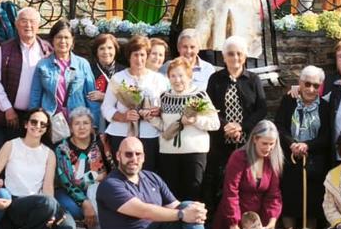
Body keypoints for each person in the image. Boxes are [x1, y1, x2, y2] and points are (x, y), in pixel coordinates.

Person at [95, 136, 230, 229]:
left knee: (189, 205)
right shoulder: (110, 184)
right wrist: (182, 214)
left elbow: (177, 206)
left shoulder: (152, 178)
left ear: (144, 157)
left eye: (138, 154)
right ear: (118, 156)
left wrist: (196, 211)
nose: (134, 158)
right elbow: (143, 211)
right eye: (128, 154)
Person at [0, 107, 77, 229]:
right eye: (34, 122)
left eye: (43, 124)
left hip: (39, 204)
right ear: (26, 124)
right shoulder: (11, 145)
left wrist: (51, 213)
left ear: (46, 129)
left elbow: (48, 187)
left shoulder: (49, 154)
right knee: (47, 203)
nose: (38, 126)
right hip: (15, 202)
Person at [205, 36, 268, 203]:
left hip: (246, 141)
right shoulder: (215, 79)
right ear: (224, 57)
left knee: (246, 181)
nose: (235, 57)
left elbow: (262, 109)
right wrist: (226, 126)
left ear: (245, 56)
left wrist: (241, 127)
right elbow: (208, 108)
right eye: (231, 54)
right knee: (221, 182)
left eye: (239, 53)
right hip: (220, 141)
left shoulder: (253, 80)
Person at [274, 66, 333, 229]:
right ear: (300, 83)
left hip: (314, 159)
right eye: (307, 84)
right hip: (290, 156)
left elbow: (327, 135)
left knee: (313, 199)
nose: (311, 89)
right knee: (289, 195)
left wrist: (307, 145)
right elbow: (279, 125)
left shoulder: (325, 107)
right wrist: (292, 143)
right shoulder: (289, 101)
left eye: (316, 85)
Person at [211, 120, 284, 229]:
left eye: (271, 144)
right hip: (236, 214)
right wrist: (233, 223)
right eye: (264, 143)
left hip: (260, 219)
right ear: (255, 139)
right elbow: (231, 192)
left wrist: (272, 220)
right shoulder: (239, 157)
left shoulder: (272, 160)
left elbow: (274, 195)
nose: (268, 148)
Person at [0, 7, 52, 148]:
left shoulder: (47, 50)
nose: (28, 25)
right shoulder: (4, 50)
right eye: (23, 21)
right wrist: (7, 108)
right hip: (12, 116)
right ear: (16, 24)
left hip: (39, 117)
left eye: (32, 21)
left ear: (38, 25)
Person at [157, 58, 220, 203]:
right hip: (169, 152)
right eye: (173, 76)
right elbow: (163, 125)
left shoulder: (199, 96)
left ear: (189, 77)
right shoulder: (164, 97)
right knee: (172, 197)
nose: (177, 80)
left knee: (193, 194)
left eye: (181, 76)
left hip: (194, 152)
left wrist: (195, 121)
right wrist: (150, 118)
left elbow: (215, 124)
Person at [103, 34, 167, 167]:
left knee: (148, 172)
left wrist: (158, 111)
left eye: (142, 55)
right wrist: (123, 116)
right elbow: (106, 107)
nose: (139, 59)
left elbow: (167, 105)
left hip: (150, 134)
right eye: (135, 55)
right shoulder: (118, 79)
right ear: (129, 56)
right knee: (123, 171)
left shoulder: (159, 79)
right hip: (121, 133)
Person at [29, 20, 97, 137]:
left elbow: (91, 96)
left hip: (78, 121)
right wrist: (34, 121)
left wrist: (94, 124)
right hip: (52, 120)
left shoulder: (82, 64)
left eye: (66, 37)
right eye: (59, 37)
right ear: (52, 40)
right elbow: (35, 95)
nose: (63, 41)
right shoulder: (43, 65)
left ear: (72, 40)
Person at [53, 106, 113, 229]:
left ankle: (95, 227)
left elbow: (112, 169)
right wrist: (85, 203)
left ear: (92, 126)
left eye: (86, 123)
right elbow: (68, 183)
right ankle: (67, 221)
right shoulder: (63, 148)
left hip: (96, 190)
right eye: (77, 124)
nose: (81, 127)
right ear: (70, 128)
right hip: (68, 192)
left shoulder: (101, 142)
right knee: (77, 210)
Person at [89, 33, 120, 132]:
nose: (106, 52)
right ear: (96, 51)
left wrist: (105, 97)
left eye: (110, 48)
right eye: (102, 48)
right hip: (96, 120)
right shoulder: (89, 70)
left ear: (115, 50)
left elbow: (129, 100)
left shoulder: (124, 71)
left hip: (119, 120)